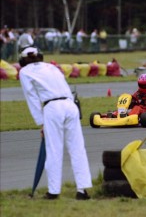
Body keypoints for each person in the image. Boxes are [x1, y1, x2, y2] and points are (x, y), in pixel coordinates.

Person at [18, 47, 92, 200]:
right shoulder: (52, 67)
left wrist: (41, 123)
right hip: (70, 105)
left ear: (23, 59)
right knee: (77, 148)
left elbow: (32, 98)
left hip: (52, 107)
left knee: (54, 150)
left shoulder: (24, 72)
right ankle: (82, 189)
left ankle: (53, 191)